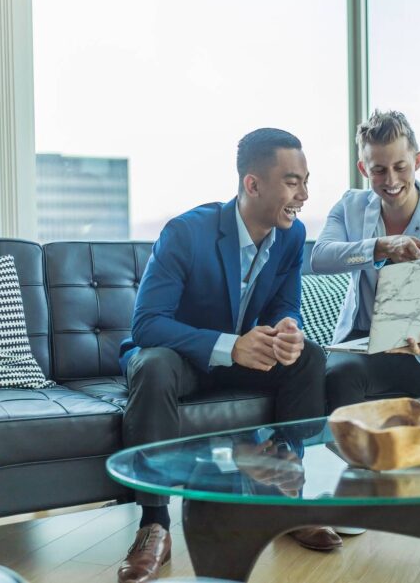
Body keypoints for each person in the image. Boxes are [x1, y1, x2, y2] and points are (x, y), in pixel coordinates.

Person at [117, 128, 336, 583]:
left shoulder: (292, 237)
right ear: (253, 184)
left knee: (308, 357)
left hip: (244, 359)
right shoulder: (186, 232)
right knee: (153, 366)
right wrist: (228, 345)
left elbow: (284, 304)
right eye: (293, 181)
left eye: (306, 180)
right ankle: (154, 525)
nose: (305, 194)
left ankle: (285, 497)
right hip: (181, 360)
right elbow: (147, 325)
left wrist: (288, 327)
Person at [311, 110, 420, 414]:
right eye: (379, 170)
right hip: (363, 343)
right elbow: (320, 257)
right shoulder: (350, 207)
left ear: (418, 161)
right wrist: (380, 247)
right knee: (339, 375)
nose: (391, 180)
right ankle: (355, 461)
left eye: (401, 167)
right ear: (363, 168)